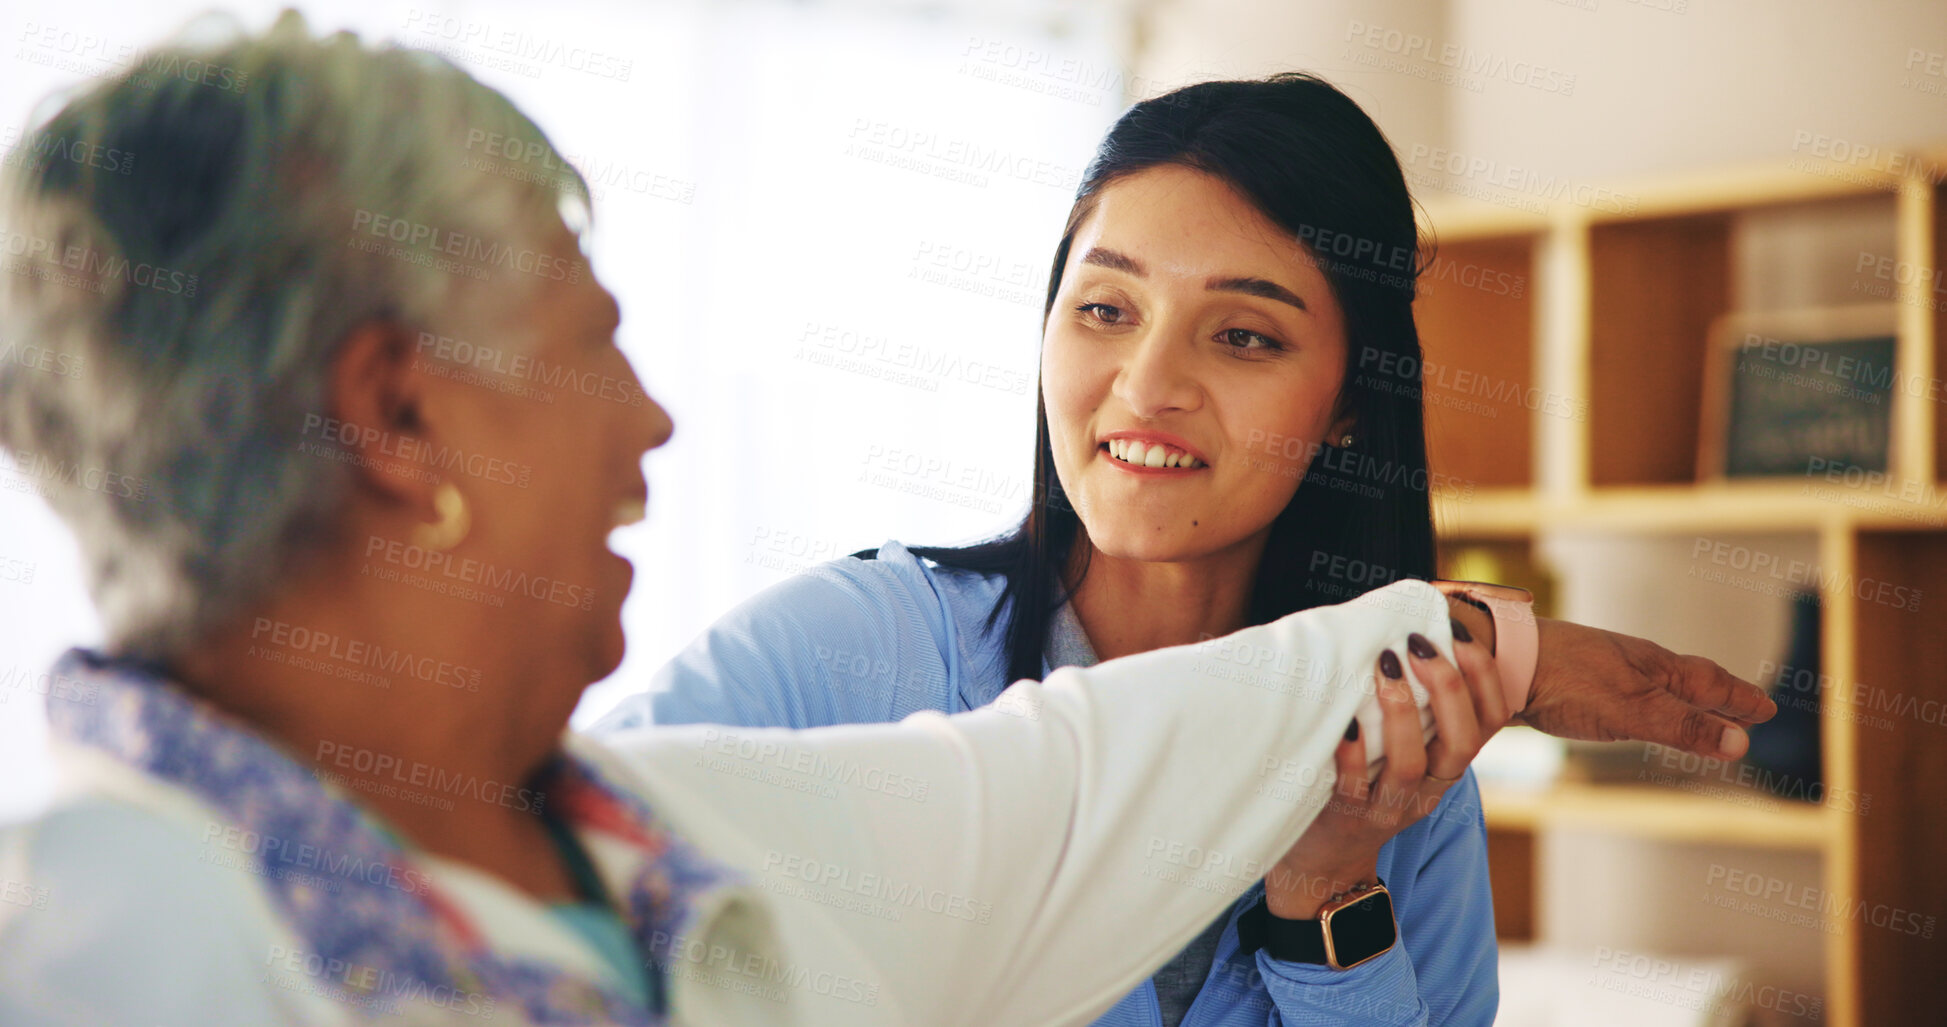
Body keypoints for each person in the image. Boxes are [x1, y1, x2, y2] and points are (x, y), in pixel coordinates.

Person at [0, 14, 1771, 1027]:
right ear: (400, 414)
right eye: (589, 345)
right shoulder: (109, 950)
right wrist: (1499, 646)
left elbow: (1070, 785)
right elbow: (1067, 792)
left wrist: (1360, 854)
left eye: (1242, 333)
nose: (653, 423)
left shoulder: (626, 836)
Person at [603, 75, 1764, 1026]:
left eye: (1244, 335)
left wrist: (1323, 892)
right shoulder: (848, 650)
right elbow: (554, 873)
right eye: (1105, 309)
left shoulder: (1409, 752)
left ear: (1352, 405)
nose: (1146, 388)